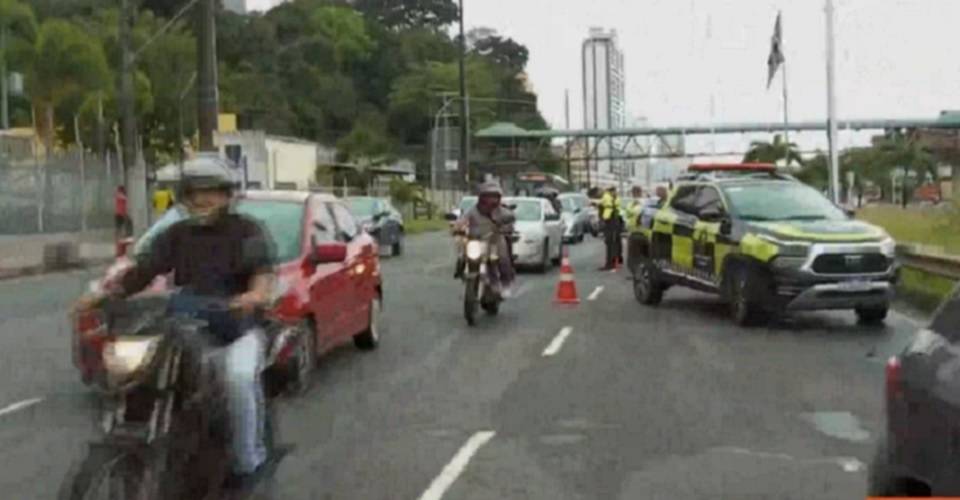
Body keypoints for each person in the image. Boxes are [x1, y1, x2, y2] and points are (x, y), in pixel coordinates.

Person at [75, 162, 276, 490]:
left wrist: (253, 296)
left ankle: (248, 461)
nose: (202, 200)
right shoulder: (177, 234)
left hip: (236, 330)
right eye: (194, 193)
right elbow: (142, 271)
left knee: (237, 379)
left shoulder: (247, 231)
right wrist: (103, 295)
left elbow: (262, 276)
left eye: (210, 192)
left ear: (226, 195)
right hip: (186, 328)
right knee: (144, 372)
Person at [456, 181, 516, 296]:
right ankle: (462, 271)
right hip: (475, 241)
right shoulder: (473, 211)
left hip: (495, 240)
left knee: (503, 259)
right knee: (463, 255)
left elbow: (511, 218)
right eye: (488, 196)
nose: (491, 200)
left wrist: (507, 226)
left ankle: (505, 283)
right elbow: (462, 220)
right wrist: (458, 228)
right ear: (481, 197)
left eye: (494, 196)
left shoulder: (502, 211)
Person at [599, 186, 624, 270]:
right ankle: (616, 261)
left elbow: (602, 206)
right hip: (615, 221)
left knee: (610, 242)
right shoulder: (615, 198)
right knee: (615, 242)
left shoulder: (607, 197)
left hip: (611, 221)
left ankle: (610, 263)